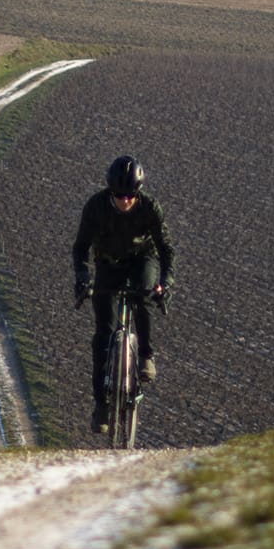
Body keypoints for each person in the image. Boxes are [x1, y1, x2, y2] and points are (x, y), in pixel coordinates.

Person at [73, 154, 174, 434]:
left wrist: (165, 283)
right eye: (119, 195)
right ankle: (101, 405)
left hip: (144, 259)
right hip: (108, 263)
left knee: (143, 296)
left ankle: (145, 355)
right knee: (102, 336)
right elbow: (80, 247)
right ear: (111, 191)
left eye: (130, 195)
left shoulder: (150, 208)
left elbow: (166, 248)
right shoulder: (95, 207)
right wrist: (83, 279)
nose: (125, 201)